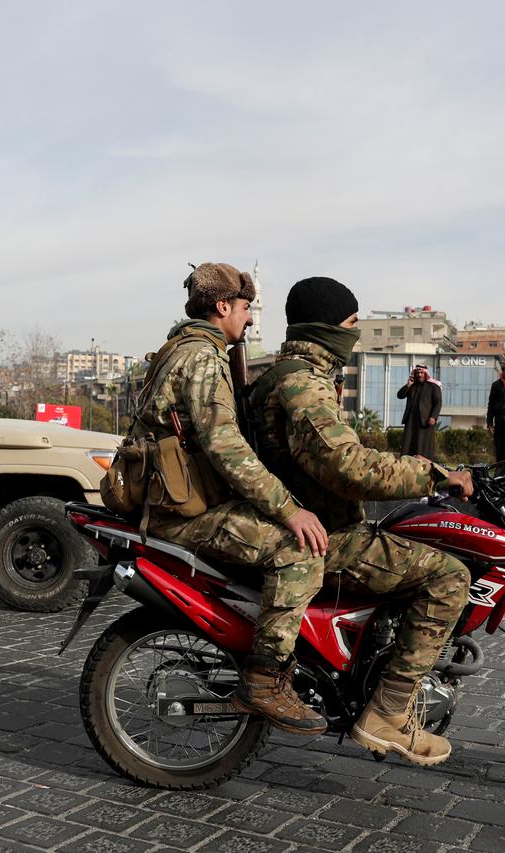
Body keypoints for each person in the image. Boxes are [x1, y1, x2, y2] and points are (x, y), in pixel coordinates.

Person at [249, 276, 473, 766]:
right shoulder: (300, 381)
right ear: (326, 326)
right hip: (320, 535)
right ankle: (388, 715)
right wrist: (434, 475)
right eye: (351, 325)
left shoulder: (292, 373)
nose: (354, 335)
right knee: (449, 576)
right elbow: (344, 465)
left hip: (310, 523)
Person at [128, 262, 329, 736]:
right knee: (297, 549)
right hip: (179, 512)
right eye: (245, 307)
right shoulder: (202, 357)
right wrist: (289, 508)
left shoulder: (179, 347)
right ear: (222, 306)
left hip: (174, 500)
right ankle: (264, 680)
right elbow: (225, 447)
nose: (250, 319)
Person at [397, 364, 442, 458]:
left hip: (425, 421)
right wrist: (408, 385)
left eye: (421, 373)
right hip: (411, 421)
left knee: (423, 445)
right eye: (417, 373)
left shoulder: (433, 387)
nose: (419, 375)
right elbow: (400, 395)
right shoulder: (411, 386)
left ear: (426, 374)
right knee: (408, 445)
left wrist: (433, 417)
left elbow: (438, 403)